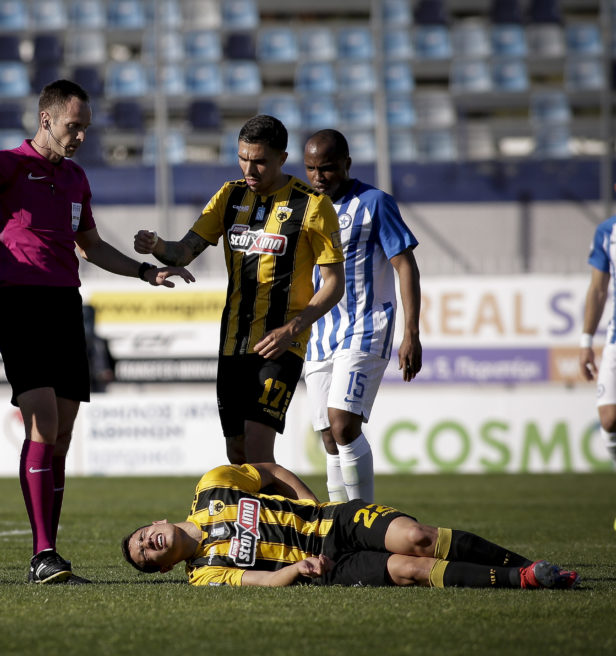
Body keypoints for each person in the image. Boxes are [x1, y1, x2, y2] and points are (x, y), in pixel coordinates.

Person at [0, 79, 194, 584]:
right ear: (46, 119)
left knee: (62, 432)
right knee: (40, 420)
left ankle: (50, 555)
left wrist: (146, 271)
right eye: (71, 125)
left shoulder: (77, 179)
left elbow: (91, 246)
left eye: (84, 128)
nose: (78, 135)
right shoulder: (9, 165)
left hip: (64, 307)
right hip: (19, 304)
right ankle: (43, 553)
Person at [134, 115, 345, 465]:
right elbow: (183, 251)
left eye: (260, 161)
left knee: (259, 453)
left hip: (281, 345)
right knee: (238, 455)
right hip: (233, 343)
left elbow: (334, 284)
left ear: (282, 158)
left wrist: (292, 328)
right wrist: (155, 245)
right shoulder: (229, 197)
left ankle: (285, 519)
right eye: (243, 158)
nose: (250, 168)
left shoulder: (313, 206)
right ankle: (254, 520)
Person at [121, 462, 580, 589]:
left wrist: (310, 502)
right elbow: (260, 580)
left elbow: (273, 471)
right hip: (327, 566)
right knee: (408, 569)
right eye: (146, 555)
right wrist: (297, 570)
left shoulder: (212, 486)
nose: (148, 544)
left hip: (336, 520)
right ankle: (523, 579)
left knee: (419, 538)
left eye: (143, 536)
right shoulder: (204, 574)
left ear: (157, 521)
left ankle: (528, 563)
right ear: (163, 568)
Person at [301, 129, 423, 503]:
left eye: (328, 168)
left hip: (366, 326)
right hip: (320, 333)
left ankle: (364, 521)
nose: (319, 176)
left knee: (342, 423)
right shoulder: (303, 206)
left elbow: (405, 266)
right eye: (311, 168)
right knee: (326, 433)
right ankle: (341, 525)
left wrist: (411, 332)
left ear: (347, 165)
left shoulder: (375, 203)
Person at [579, 183, 616, 467]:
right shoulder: (607, 231)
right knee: (609, 417)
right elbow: (598, 289)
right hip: (615, 338)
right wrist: (586, 342)